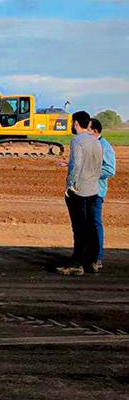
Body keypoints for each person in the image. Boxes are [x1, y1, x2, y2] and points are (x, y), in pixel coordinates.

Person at [56, 111, 103, 276]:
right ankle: (92, 261)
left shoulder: (77, 141)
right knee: (91, 226)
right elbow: (99, 165)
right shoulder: (96, 141)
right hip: (94, 189)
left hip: (79, 190)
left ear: (76, 123)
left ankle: (77, 264)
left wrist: (70, 184)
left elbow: (76, 165)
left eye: (72, 123)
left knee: (79, 227)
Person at [89, 118, 116, 272]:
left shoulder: (104, 146)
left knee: (95, 223)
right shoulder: (92, 144)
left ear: (95, 131)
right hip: (87, 190)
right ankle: (90, 256)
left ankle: (97, 258)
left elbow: (110, 170)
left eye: (87, 129)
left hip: (96, 191)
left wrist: (89, 172)